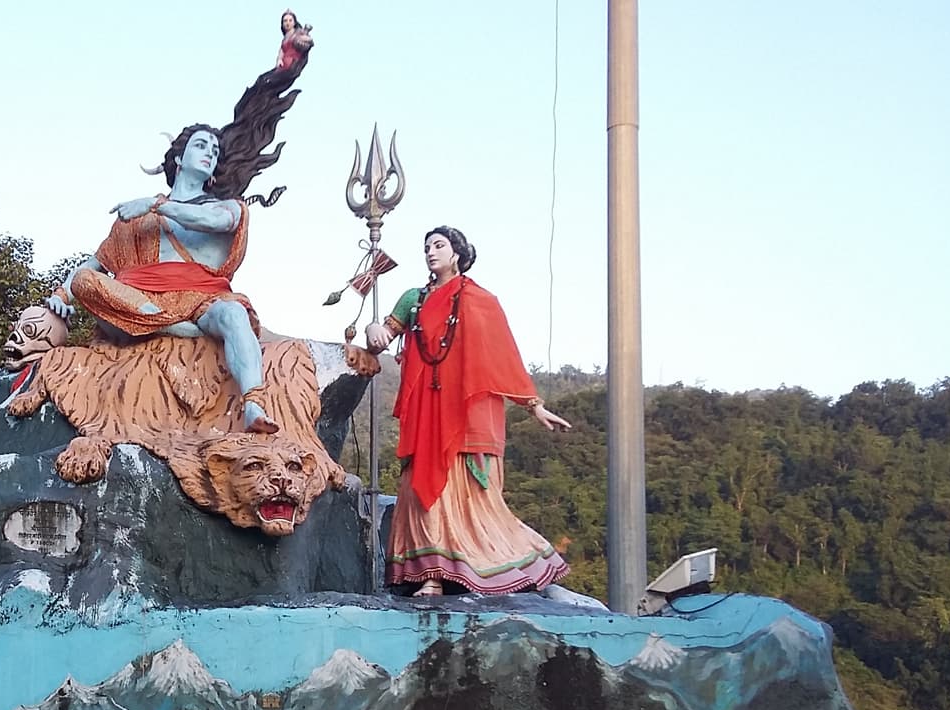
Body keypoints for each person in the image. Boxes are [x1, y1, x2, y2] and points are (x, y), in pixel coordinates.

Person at [46, 47, 308, 437]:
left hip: (202, 299)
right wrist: (63, 295)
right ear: (179, 156)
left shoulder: (226, 207)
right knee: (86, 284)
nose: (210, 153)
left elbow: (209, 219)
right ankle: (171, 327)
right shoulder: (139, 218)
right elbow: (95, 263)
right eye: (201, 146)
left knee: (234, 315)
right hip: (142, 301)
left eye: (215, 150)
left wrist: (157, 204)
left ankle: (253, 401)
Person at [360, 227, 572, 596]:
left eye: (439, 245)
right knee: (419, 488)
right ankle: (430, 574)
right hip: (426, 412)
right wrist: (372, 327)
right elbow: (382, 340)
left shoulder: (479, 300)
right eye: (426, 247)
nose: (430, 252)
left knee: (464, 490)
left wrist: (534, 407)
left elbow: (502, 357)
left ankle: (480, 568)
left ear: (457, 253)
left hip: (465, 411)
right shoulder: (414, 298)